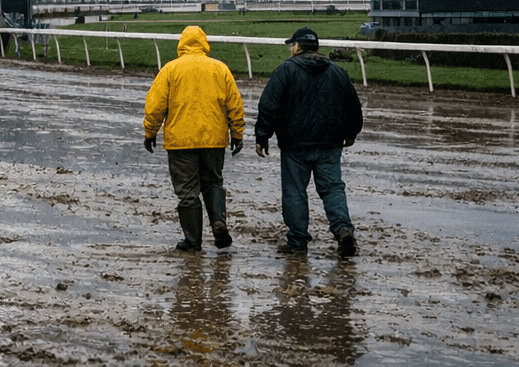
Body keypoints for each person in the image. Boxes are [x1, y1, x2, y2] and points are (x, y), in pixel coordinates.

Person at [254, 26, 363, 257]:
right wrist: (351, 132)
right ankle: (343, 229)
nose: (290, 49)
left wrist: (262, 136)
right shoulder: (337, 72)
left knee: (295, 191)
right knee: (332, 188)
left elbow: (269, 105)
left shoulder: (285, 70)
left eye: (292, 45)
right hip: (329, 144)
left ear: (297, 46)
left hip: (295, 145)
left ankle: (297, 241)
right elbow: (354, 106)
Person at [143, 25, 246, 251]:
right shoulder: (220, 68)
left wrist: (151, 132)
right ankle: (218, 221)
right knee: (213, 182)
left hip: (180, 142)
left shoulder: (170, 69)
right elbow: (235, 105)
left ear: (181, 44)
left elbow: (155, 106)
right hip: (214, 140)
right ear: (204, 43)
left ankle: (192, 241)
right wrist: (237, 133)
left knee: (187, 191)